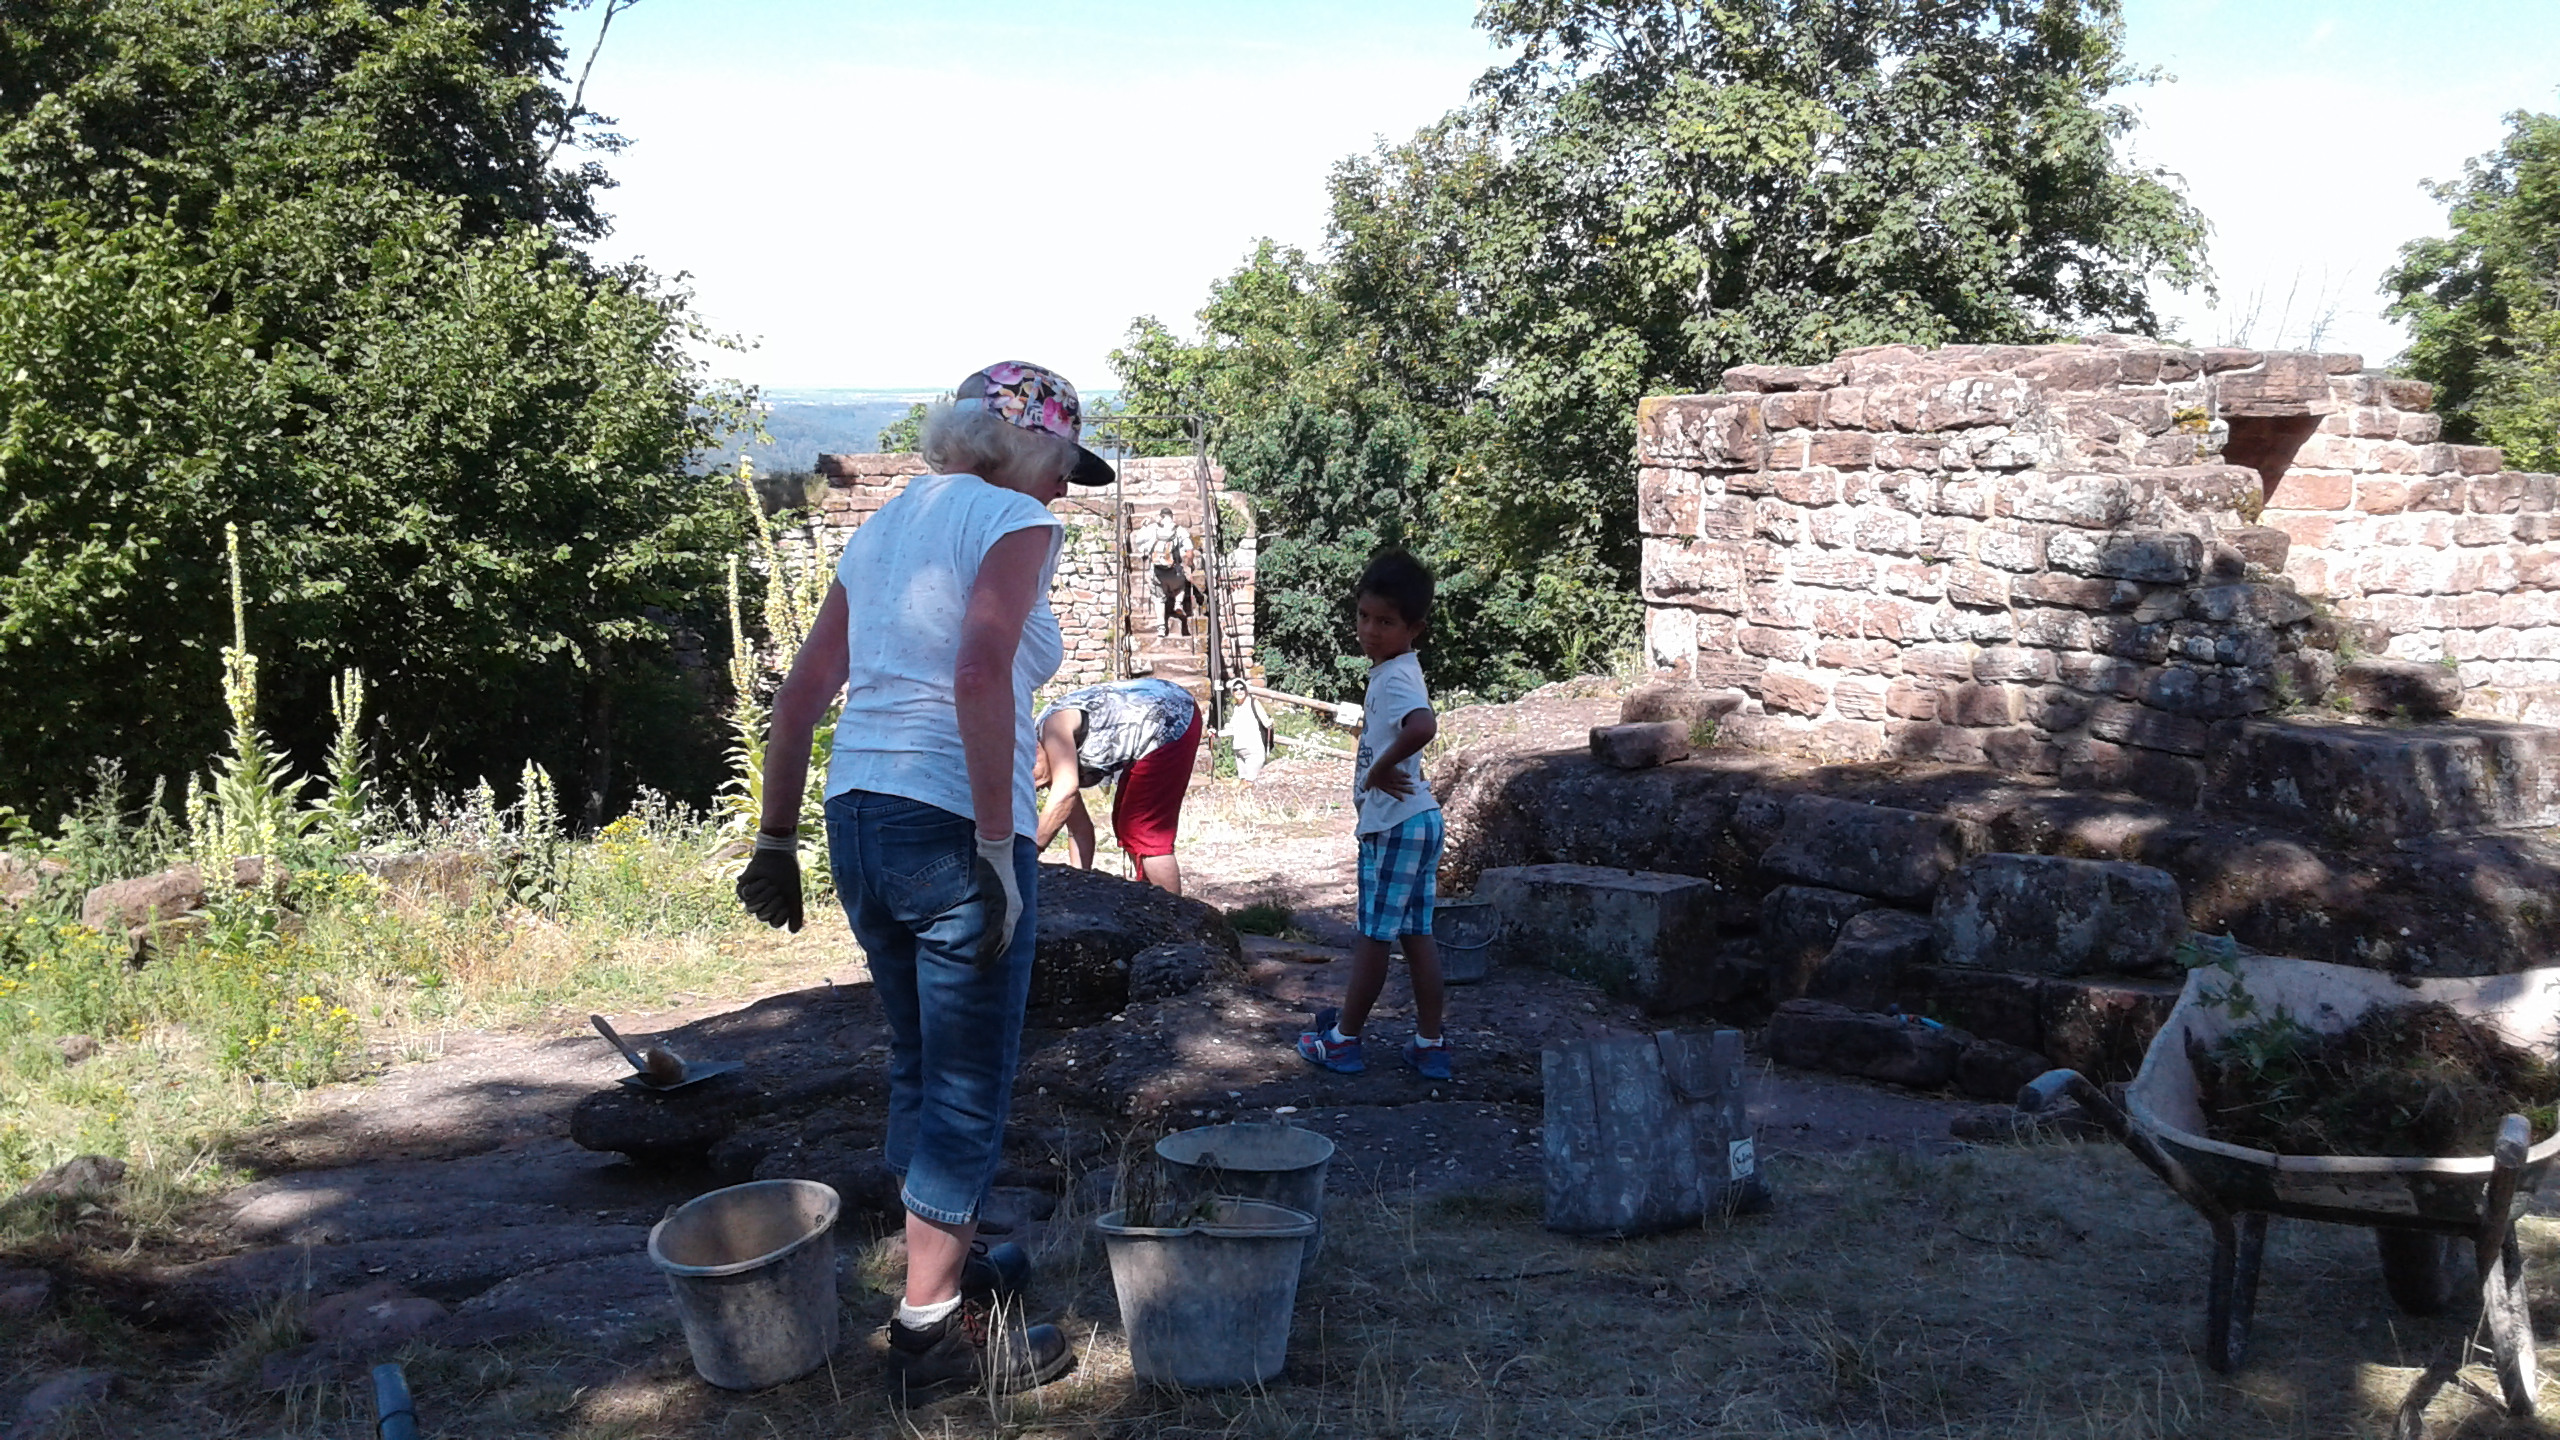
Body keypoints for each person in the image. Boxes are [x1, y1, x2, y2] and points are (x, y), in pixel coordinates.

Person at [734, 359, 1114, 1399]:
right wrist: (996, 848)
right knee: (965, 1080)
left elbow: (802, 695)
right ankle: (931, 1334)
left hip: (859, 814)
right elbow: (979, 671)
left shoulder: (887, 526)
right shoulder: (1013, 521)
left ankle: (948, 1266)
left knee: (919, 1057)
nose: (1065, 487)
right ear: (1024, 445)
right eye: (1062, 462)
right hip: (949, 822)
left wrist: (776, 839)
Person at [1296, 551, 1450, 1081]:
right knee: (1417, 935)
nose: (1370, 631)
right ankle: (1429, 1043)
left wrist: (1380, 767)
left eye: (1385, 622)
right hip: (1421, 820)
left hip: (1394, 824)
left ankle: (1343, 1040)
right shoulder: (1397, 670)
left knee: (1373, 935)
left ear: (1414, 629)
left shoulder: (1394, 678)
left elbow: (1423, 726)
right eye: (1364, 616)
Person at [1032, 676, 1202, 894]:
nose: (1034, 786)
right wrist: (1077, 887)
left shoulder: (1053, 730)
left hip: (1171, 717)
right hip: (1158, 716)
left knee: (1142, 829)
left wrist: (1029, 853)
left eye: (1029, 776)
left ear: (1033, 750)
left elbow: (1065, 793)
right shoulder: (1043, 765)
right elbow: (1079, 830)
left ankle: (1174, 910)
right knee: (1125, 822)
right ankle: (1151, 900)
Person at [1131, 506, 1194, 635]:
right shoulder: (1179, 530)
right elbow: (1189, 550)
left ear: (1160, 517)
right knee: (1181, 586)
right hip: (1174, 571)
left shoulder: (1152, 528)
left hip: (1157, 572)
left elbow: (1138, 541)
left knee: (1158, 598)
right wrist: (1190, 564)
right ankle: (1178, 603)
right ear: (1172, 517)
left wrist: (1143, 527)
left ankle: (1161, 627)